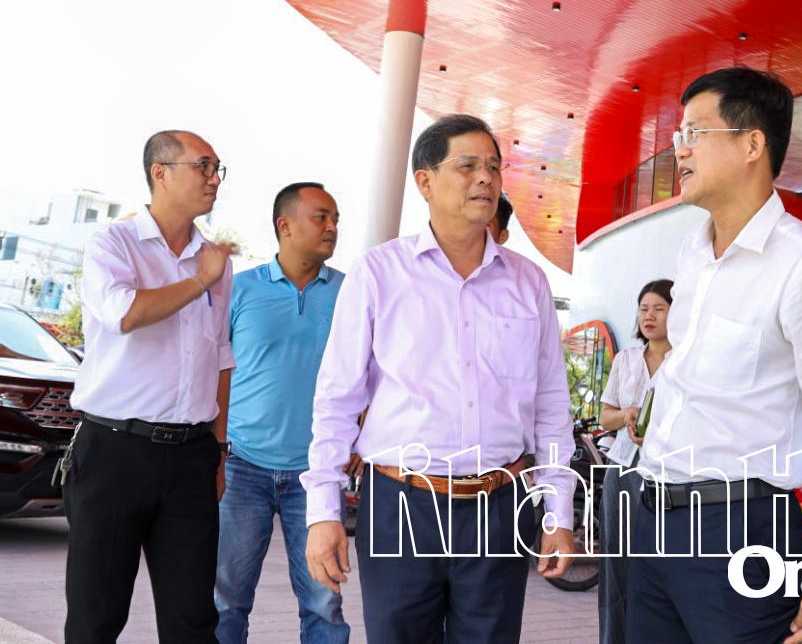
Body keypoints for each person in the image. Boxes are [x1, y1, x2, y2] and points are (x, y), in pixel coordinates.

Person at [302, 114, 577, 643]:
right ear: (424, 181)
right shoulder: (379, 273)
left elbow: (550, 405)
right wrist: (323, 513)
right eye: (468, 165)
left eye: (494, 167)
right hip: (400, 505)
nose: (486, 178)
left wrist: (557, 514)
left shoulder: (529, 283)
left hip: (501, 507)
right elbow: (336, 400)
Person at [629, 67, 802, 644]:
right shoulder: (693, 254)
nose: (680, 150)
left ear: (751, 144)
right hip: (652, 521)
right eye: (679, 136)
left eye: (695, 133)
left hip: (742, 533)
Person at [65, 129, 236, 643]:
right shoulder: (112, 244)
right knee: (96, 617)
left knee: (193, 621)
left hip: (191, 458)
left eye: (217, 168)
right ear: (160, 173)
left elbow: (220, 358)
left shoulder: (215, 259)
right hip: (114, 450)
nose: (214, 178)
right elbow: (124, 314)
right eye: (203, 166)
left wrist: (218, 451)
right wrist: (199, 281)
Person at [214, 182, 353, 643]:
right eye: (321, 217)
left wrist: (361, 434)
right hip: (241, 466)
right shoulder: (239, 290)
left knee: (323, 602)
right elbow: (213, 371)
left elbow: (374, 372)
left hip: (317, 475)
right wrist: (215, 452)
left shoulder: (351, 295)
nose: (332, 227)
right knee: (225, 600)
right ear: (285, 225)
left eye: (336, 219)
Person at [598, 278, 674, 644]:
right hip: (623, 469)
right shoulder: (626, 359)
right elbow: (605, 417)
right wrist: (627, 413)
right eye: (644, 309)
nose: (649, 316)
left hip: (669, 474)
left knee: (660, 563)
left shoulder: (686, 361)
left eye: (659, 308)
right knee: (616, 564)